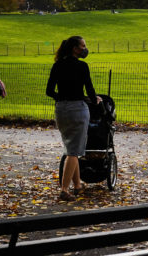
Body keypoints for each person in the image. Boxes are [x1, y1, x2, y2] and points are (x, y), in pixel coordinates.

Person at [45, 36, 102, 201]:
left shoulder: (57, 65)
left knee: (71, 148)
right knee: (73, 151)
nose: (85, 49)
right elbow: (90, 90)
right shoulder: (82, 66)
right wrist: (94, 99)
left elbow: (49, 91)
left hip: (61, 109)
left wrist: (61, 97)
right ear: (75, 48)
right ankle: (64, 189)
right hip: (78, 109)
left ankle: (77, 185)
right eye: (83, 46)